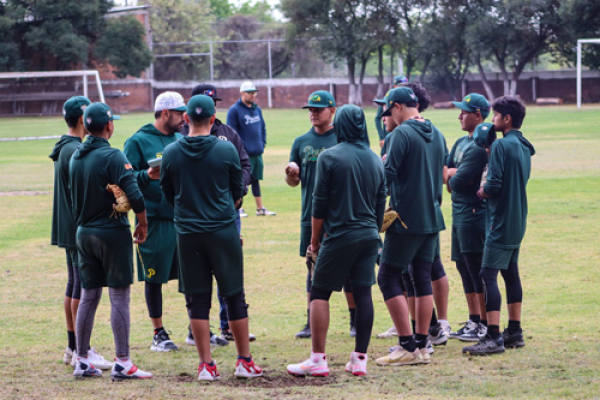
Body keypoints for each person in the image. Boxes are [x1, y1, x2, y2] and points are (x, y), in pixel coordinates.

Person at [160, 95, 263, 381]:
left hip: (188, 232)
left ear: (187, 119)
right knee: (234, 294)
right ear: (213, 117)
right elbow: (237, 190)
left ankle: (206, 365)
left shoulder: (171, 152)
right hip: (222, 230)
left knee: (197, 297)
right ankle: (244, 361)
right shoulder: (226, 149)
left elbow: (168, 193)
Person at [287, 105, 386, 377]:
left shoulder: (329, 157)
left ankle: (317, 359)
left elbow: (319, 205)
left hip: (339, 235)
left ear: (340, 124)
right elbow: (381, 202)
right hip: (369, 236)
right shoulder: (376, 159)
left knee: (319, 292)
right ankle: (359, 360)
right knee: (363, 293)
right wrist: (373, 234)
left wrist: (314, 241)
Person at [69, 102, 152, 380]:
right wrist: (142, 223)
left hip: (83, 233)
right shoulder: (113, 156)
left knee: (89, 296)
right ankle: (123, 361)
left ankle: (80, 359)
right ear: (109, 125)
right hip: (111, 233)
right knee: (119, 295)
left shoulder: (76, 157)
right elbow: (136, 195)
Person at [375, 87, 446, 366]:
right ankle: (423, 343)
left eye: (389, 111)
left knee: (387, 277)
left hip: (405, 218)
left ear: (397, 108)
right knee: (422, 277)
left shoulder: (400, 134)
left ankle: (406, 346)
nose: (388, 117)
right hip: (431, 217)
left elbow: (386, 177)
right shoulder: (437, 132)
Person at [180, 83, 254, 346]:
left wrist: (236, 193)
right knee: (199, 283)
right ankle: (199, 330)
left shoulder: (227, 134)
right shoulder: (181, 137)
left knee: (228, 276)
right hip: (196, 216)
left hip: (225, 213)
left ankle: (228, 326)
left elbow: (245, 166)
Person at [463, 96, 534, 355]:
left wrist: (480, 191)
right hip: (518, 219)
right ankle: (514, 331)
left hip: (500, 221)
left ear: (507, 119)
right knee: (511, 272)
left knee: (487, 275)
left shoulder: (502, 146)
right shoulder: (525, 145)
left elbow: (494, 185)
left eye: (495, 116)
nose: (492, 121)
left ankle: (493, 336)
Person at [285, 90, 357, 339]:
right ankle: (310, 320)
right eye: (310, 110)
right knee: (312, 266)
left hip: (340, 216)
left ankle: (355, 319)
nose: (313, 113)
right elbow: (294, 182)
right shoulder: (301, 142)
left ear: (332, 110)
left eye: (318, 109)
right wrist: (291, 175)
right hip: (310, 214)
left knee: (347, 268)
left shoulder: (343, 139)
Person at [50, 96, 111, 370]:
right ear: (80, 119)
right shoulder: (74, 149)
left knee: (74, 283)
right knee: (81, 286)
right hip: (76, 225)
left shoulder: (66, 146)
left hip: (68, 225)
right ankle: (79, 349)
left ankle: (72, 346)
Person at [124, 91, 186, 353]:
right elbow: (124, 181)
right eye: (180, 112)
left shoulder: (182, 139)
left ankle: (197, 328)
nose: (185, 117)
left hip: (183, 220)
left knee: (193, 276)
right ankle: (158, 333)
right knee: (154, 277)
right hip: (153, 221)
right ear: (164, 113)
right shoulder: (138, 141)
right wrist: (147, 175)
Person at [445, 93, 491, 342]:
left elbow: (458, 182)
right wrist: (452, 175)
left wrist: (452, 175)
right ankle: (473, 319)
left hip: (473, 215)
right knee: (462, 267)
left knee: (476, 268)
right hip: (458, 212)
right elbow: (447, 174)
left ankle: (485, 322)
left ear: (478, 115)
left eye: (465, 111)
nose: (460, 115)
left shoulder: (479, 149)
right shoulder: (460, 142)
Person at [227, 81, 276, 217]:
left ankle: (260, 209)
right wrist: (240, 150)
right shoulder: (234, 110)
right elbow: (231, 133)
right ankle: (239, 207)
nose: (253, 95)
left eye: (254, 92)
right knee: (241, 180)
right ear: (242, 93)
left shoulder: (257, 109)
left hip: (257, 153)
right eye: (250, 92)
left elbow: (263, 128)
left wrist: (262, 143)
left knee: (255, 180)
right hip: (243, 154)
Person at [375, 75, 408, 151]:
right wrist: (381, 137)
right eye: (400, 86)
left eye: (405, 86)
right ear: (394, 86)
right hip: (388, 134)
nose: (403, 88)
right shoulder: (388, 98)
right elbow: (377, 118)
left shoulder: (409, 100)